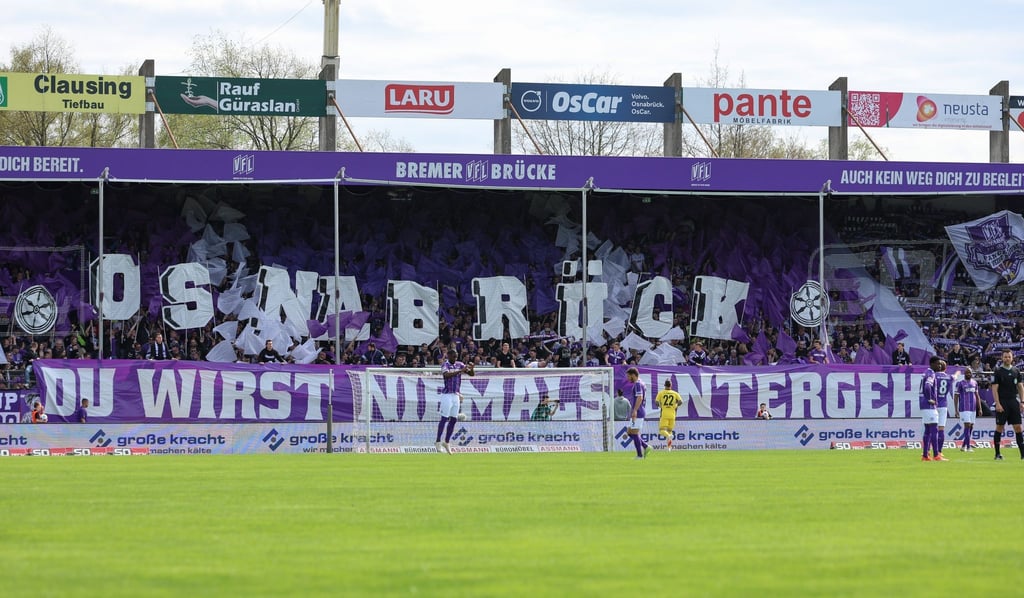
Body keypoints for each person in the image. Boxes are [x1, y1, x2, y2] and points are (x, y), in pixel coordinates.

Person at [436, 349, 474, 454]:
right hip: (447, 395)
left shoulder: (459, 364)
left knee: (453, 419)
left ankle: (446, 442)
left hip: (456, 395)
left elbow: (471, 374)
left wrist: (471, 368)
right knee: (444, 418)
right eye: (453, 356)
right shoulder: (445, 365)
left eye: (456, 356)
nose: (455, 358)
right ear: (448, 356)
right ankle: (438, 441)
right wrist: (460, 371)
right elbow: (446, 375)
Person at [991, 348, 1024, 460]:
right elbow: (994, 389)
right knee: (1000, 427)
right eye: (1005, 356)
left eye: (1009, 357)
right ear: (1002, 358)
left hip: (1013, 401)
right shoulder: (998, 371)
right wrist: (998, 403)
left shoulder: (1016, 371)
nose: (1007, 358)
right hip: (1003, 401)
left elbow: (1020, 386)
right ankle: (997, 454)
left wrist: (1022, 401)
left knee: (1018, 427)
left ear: (1012, 358)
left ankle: (1022, 455)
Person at [624, 367, 650, 459]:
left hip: (638, 411)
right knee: (630, 432)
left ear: (633, 375)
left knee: (634, 433)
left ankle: (639, 455)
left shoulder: (638, 384)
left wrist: (635, 410)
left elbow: (640, 397)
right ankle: (646, 446)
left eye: (628, 376)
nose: (627, 378)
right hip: (637, 410)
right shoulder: (640, 382)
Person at [919, 356, 941, 461]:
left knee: (927, 430)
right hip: (929, 406)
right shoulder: (931, 373)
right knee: (934, 429)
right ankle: (936, 455)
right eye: (938, 363)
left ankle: (925, 455)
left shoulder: (925, 372)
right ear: (932, 364)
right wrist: (930, 399)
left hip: (923, 405)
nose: (939, 366)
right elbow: (927, 386)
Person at [954, 367, 981, 452]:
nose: (968, 374)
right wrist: (956, 409)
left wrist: (979, 408)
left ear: (972, 373)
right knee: (967, 425)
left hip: (973, 408)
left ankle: (963, 446)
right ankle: (968, 447)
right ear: (964, 374)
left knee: (971, 426)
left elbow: (977, 396)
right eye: (966, 373)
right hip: (964, 408)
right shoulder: (960, 383)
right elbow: (956, 396)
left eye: (969, 372)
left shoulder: (975, 383)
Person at [654, 379, 682, 450]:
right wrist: (675, 406)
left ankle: (669, 436)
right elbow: (680, 401)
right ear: (671, 385)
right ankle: (669, 448)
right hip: (672, 414)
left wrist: (661, 406)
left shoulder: (661, 393)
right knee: (669, 431)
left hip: (664, 414)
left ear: (664, 385)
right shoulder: (675, 393)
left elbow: (656, 402)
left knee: (662, 431)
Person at [933, 359, 952, 461]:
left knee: (931, 429)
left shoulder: (934, 376)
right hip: (943, 404)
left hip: (934, 405)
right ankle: (939, 451)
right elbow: (954, 377)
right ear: (945, 368)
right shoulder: (948, 377)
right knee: (941, 429)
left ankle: (928, 451)